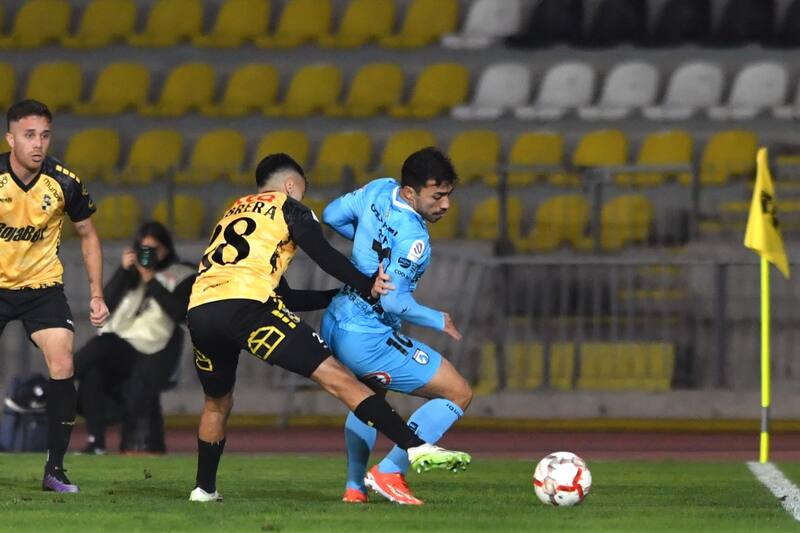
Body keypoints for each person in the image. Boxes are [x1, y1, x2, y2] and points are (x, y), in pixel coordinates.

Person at [186, 153, 471, 502]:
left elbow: (285, 295)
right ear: (291, 185)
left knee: (217, 403)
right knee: (340, 378)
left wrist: (333, 295)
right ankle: (413, 448)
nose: (304, 197)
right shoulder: (290, 208)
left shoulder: (233, 211)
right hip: (249, 308)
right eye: (303, 189)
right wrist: (366, 285)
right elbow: (322, 252)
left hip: (200, 308)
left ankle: (204, 490)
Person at [320, 147, 473, 505]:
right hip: (368, 336)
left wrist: (364, 250)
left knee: (368, 399)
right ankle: (390, 471)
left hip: (337, 317)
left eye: (448, 195)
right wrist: (438, 319)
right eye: (437, 196)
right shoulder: (414, 239)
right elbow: (393, 301)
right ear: (410, 193)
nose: (445, 205)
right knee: (458, 391)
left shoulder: (377, 189)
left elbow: (330, 215)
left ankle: (355, 488)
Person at [0, 99, 110, 493]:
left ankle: (55, 470)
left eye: (44, 135)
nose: (38, 144)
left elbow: (88, 234)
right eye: (29, 135)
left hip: (42, 288)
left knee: (63, 361)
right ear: (10, 138)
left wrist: (97, 294)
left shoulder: (64, 181)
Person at [74, 221, 195, 455]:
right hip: (122, 345)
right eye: (143, 249)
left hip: (152, 349)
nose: (148, 255)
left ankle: (60, 379)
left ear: (166, 250)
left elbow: (180, 312)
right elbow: (104, 304)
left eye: (154, 250)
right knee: (93, 374)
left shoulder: (180, 273)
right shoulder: (130, 276)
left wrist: (151, 279)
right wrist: (123, 270)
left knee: (102, 346)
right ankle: (96, 443)